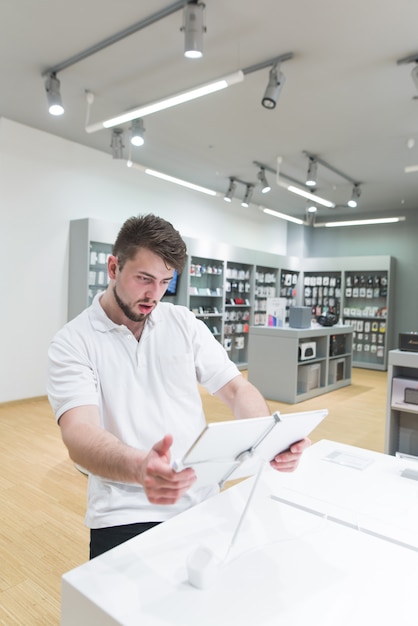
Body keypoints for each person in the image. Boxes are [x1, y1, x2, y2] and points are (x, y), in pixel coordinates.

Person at [47, 214, 310, 559]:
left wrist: (265, 439)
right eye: (144, 278)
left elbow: (236, 390)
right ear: (113, 268)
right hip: (123, 512)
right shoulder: (72, 342)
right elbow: (78, 432)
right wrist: (140, 467)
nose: (154, 294)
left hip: (201, 500)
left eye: (165, 281)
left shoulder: (182, 322)